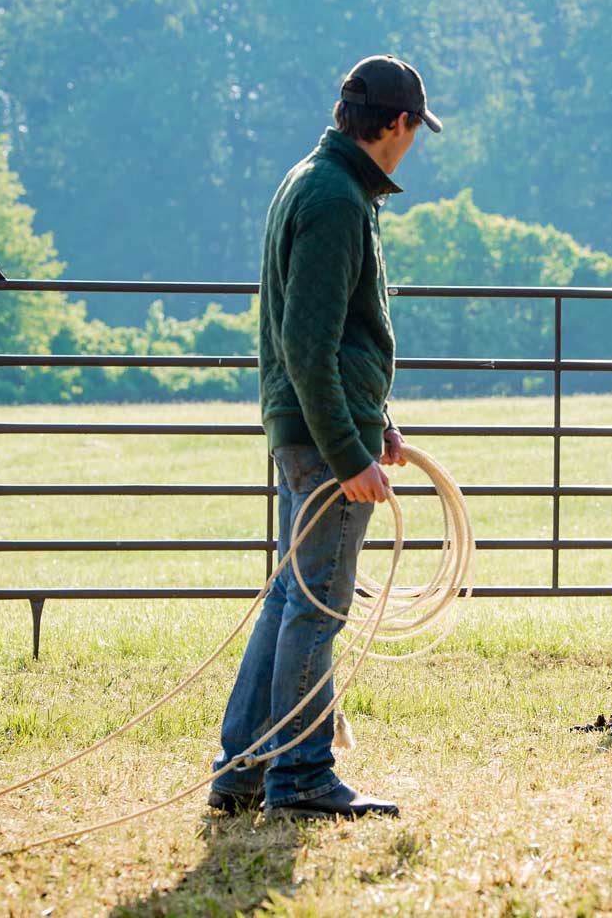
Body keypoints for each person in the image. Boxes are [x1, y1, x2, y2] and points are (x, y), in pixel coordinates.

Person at [209, 55, 442, 820]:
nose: (413, 144)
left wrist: (375, 423)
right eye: (416, 130)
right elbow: (310, 348)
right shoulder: (339, 199)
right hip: (320, 437)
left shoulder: (314, 181)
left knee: (290, 597)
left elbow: (328, 338)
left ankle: (242, 769)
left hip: (310, 425)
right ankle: (303, 777)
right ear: (399, 124)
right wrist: (351, 456)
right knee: (318, 606)